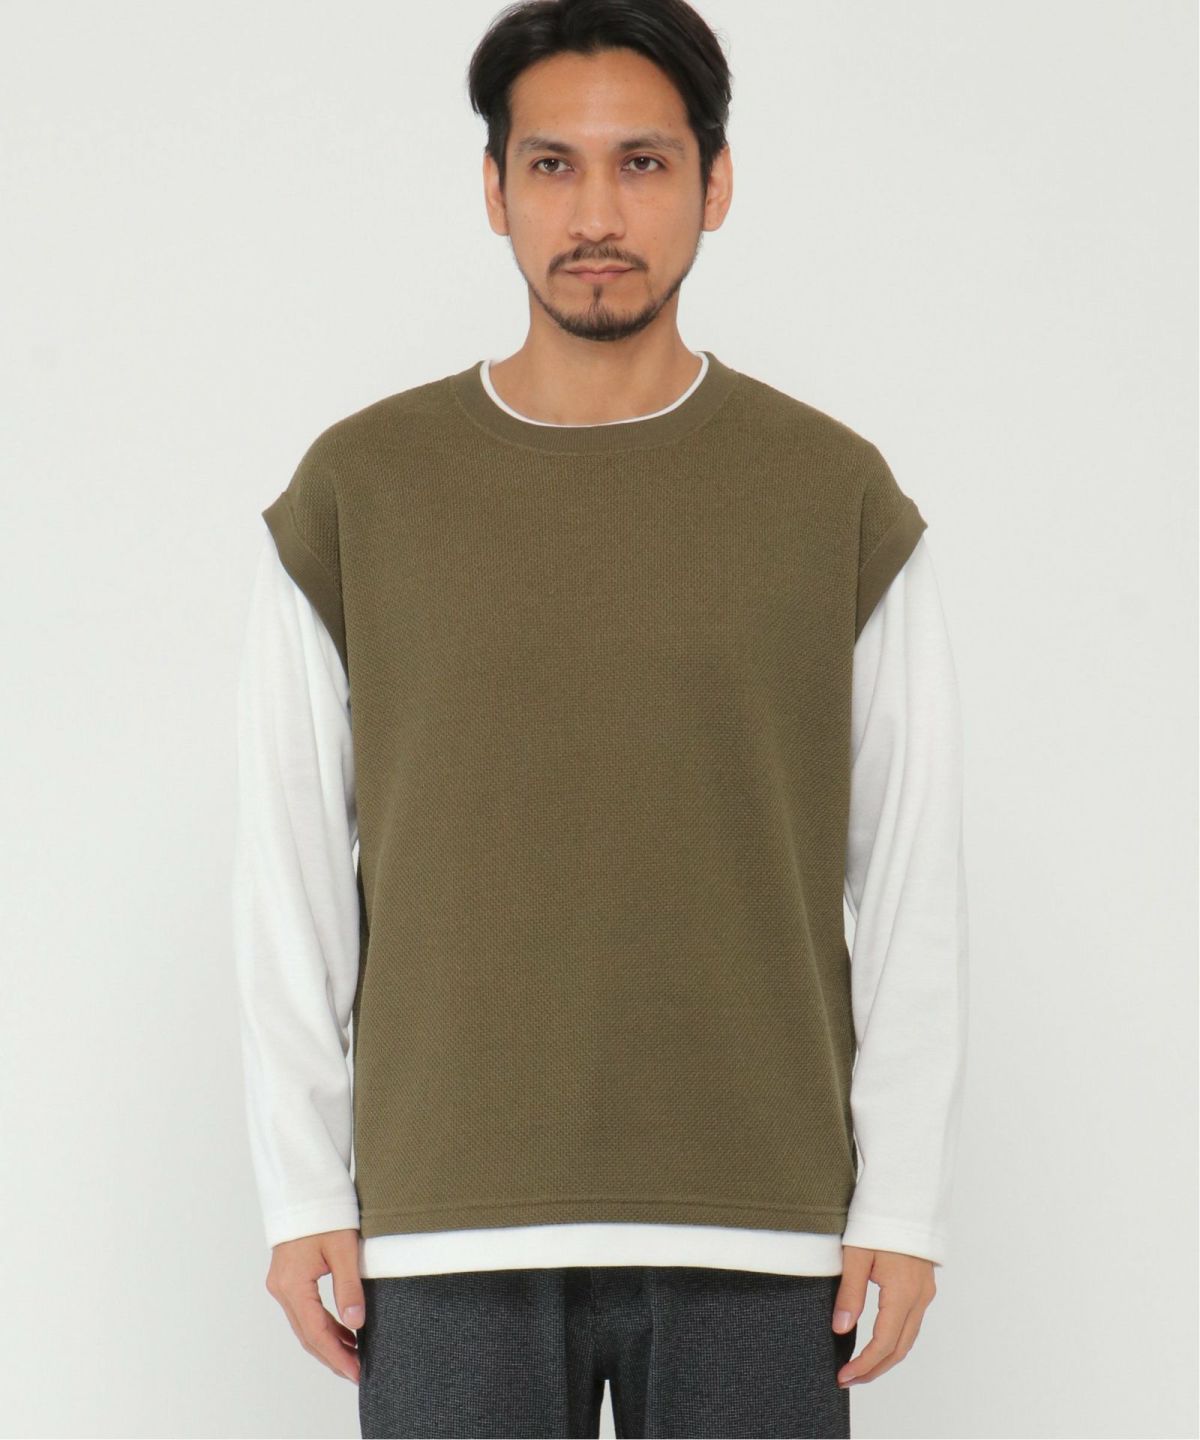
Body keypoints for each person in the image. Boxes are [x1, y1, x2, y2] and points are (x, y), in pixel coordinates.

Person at [232, 2, 969, 1435]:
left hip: (764, 1227)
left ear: (715, 182)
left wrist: (905, 1199)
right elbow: (290, 864)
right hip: (444, 1226)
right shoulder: (359, 493)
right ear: (494, 189)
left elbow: (908, 871)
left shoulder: (833, 495)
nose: (596, 215)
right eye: (552, 165)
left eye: (642, 162)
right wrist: (302, 1185)